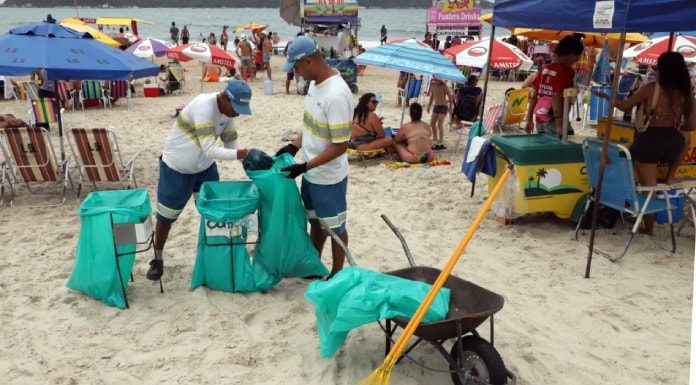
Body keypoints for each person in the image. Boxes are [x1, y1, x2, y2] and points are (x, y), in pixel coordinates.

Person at [147, 80, 253, 281]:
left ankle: (214, 256)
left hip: (204, 168)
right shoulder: (203, 106)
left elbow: (230, 143)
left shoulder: (228, 113)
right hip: (176, 168)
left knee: (214, 212)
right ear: (224, 98)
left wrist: (247, 164)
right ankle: (158, 258)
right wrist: (245, 154)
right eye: (236, 108)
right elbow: (211, 149)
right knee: (166, 216)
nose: (237, 113)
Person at [274, 36, 353, 279]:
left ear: (308, 61)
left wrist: (305, 166)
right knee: (315, 222)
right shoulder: (314, 85)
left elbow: (341, 145)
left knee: (335, 227)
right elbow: (309, 126)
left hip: (328, 177)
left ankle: (337, 272)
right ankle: (313, 263)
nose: (295, 73)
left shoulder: (337, 94)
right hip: (310, 171)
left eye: (296, 67)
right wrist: (293, 147)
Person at [592, 51, 696, 235]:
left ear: (662, 70)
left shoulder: (651, 88)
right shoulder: (687, 95)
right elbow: (691, 126)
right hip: (673, 144)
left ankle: (649, 229)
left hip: (648, 143)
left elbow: (624, 106)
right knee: (686, 138)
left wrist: (606, 96)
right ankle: (672, 175)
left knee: (649, 188)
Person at [525, 35, 584, 137]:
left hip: (540, 120)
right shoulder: (567, 71)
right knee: (566, 148)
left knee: (544, 149)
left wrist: (529, 119)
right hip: (555, 121)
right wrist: (559, 125)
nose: (577, 60)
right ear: (571, 54)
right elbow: (556, 97)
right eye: (577, 56)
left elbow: (535, 96)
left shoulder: (544, 68)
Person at [427, 78, 453, 150]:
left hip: (443, 107)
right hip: (436, 106)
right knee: (432, 123)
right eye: (436, 79)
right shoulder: (432, 84)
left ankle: (441, 140)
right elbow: (432, 96)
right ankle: (435, 137)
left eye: (439, 79)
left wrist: (450, 107)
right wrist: (429, 106)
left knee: (439, 123)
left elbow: (450, 96)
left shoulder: (444, 85)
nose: (437, 81)